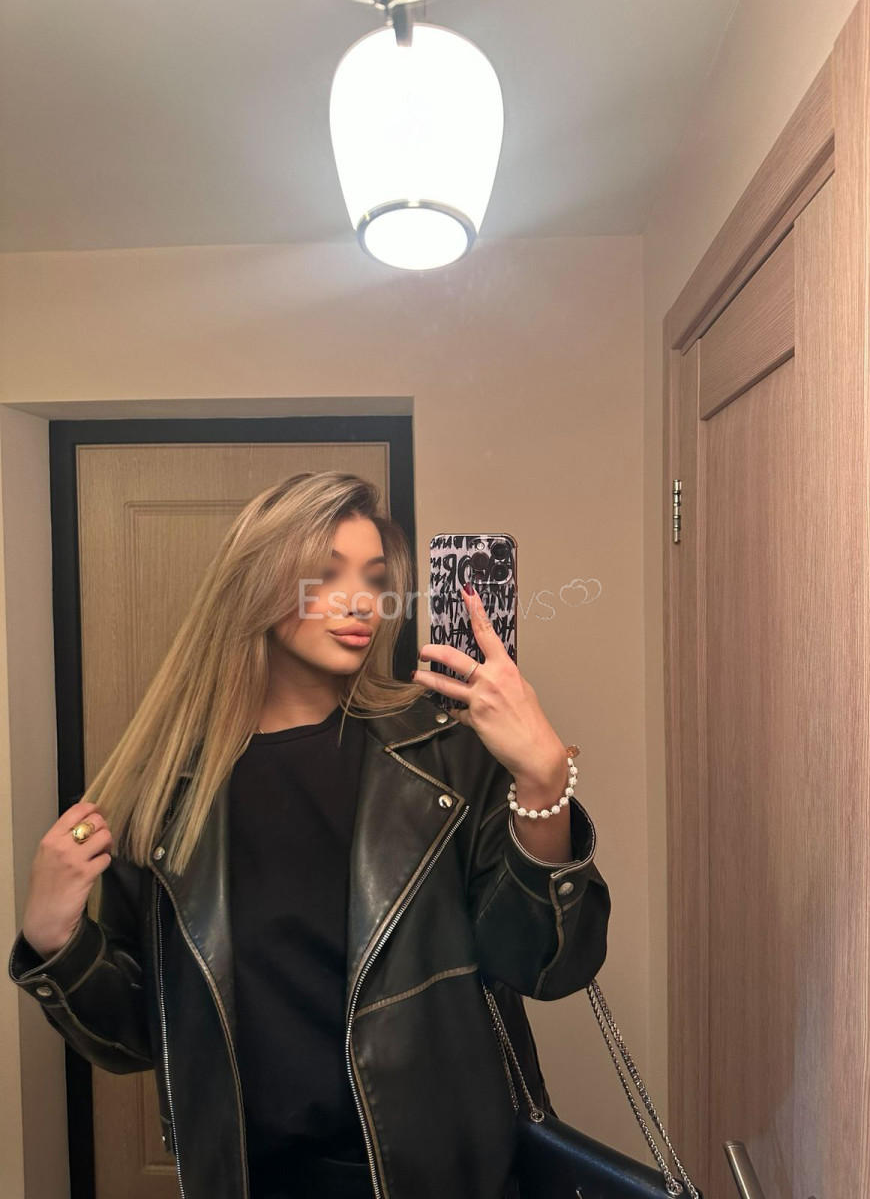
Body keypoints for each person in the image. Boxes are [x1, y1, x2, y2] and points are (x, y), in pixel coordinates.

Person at [8, 470, 612, 1199]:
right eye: (326, 575)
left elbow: (548, 967)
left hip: (442, 1178)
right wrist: (55, 942)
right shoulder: (164, 795)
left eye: (375, 578)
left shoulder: (442, 755)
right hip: (251, 1178)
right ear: (256, 585)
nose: (362, 602)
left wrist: (543, 785)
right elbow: (141, 1039)